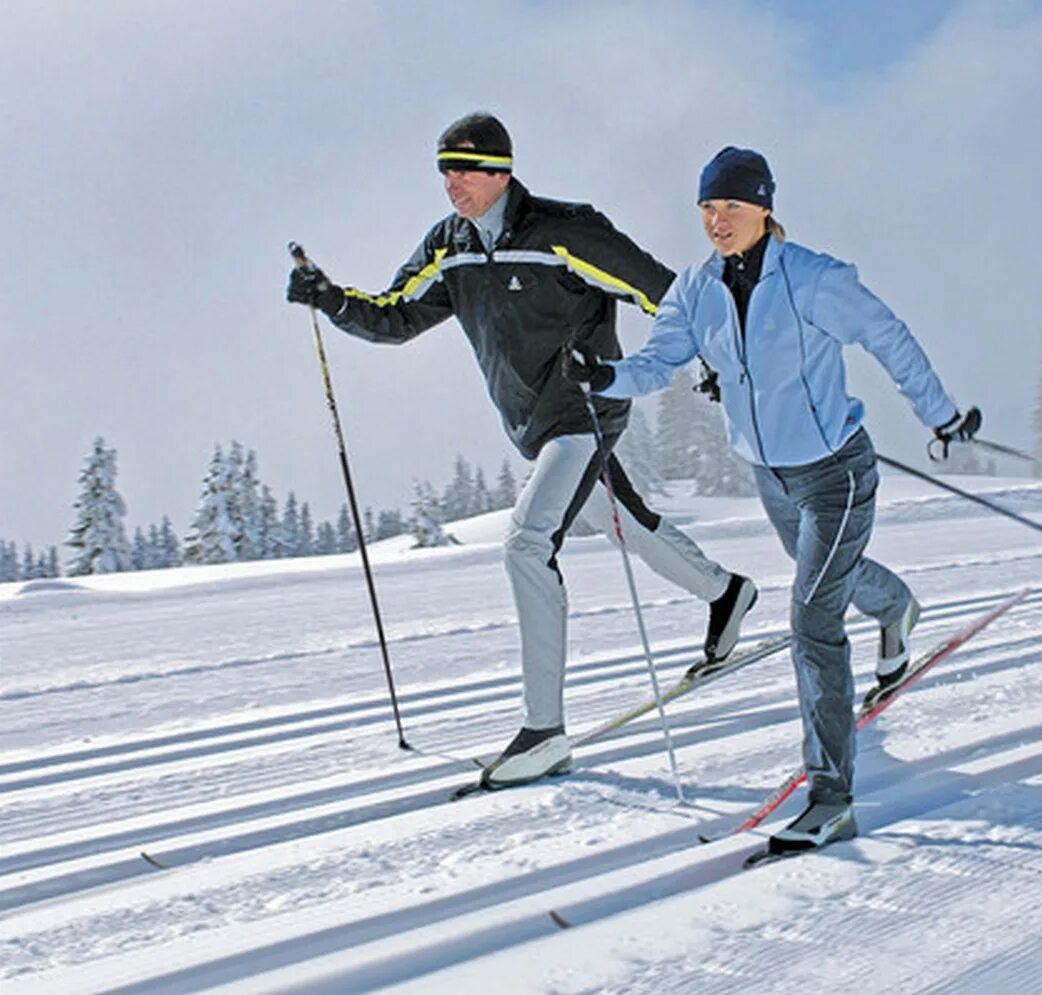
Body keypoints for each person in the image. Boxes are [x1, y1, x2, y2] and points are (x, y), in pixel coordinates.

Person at [286, 113, 758, 787]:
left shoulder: (562, 232)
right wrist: (330, 299)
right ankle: (725, 592)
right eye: (445, 170)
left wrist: (711, 354)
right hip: (533, 424)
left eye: (466, 170)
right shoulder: (449, 247)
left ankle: (544, 731)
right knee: (616, 520)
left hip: (586, 409)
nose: (454, 183)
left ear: (501, 172)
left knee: (527, 542)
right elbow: (394, 312)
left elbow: (660, 290)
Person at [565, 146, 979, 857]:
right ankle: (896, 605)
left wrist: (939, 415)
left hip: (836, 473)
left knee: (813, 618)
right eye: (706, 208)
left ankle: (831, 796)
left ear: (764, 207)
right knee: (825, 577)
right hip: (771, 477)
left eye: (729, 206)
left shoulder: (813, 279)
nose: (716, 221)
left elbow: (889, 337)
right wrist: (606, 375)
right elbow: (661, 360)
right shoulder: (697, 289)